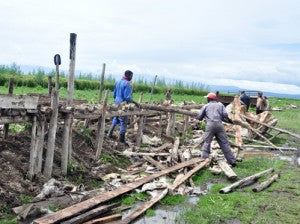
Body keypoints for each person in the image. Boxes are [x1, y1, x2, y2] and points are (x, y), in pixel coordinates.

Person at [197, 92, 237, 166]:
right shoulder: (220, 105)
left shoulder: (206, 106)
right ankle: (232, 160)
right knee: (224, 142)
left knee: (207, 142)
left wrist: (204, 116)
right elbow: (225, 115)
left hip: (210, 124)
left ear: (209, 99)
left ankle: (204, 159)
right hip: (219, 124)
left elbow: (199, 117)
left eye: (207, 98)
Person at [107, 70, 138, 145]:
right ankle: (122, 140)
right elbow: (127, 97)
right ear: (129, 76)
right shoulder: (127, 84)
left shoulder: (118, 82)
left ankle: (109, 134)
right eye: (131, 76)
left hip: (116, 103)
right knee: (123, 121)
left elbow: (114, 95)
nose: (131, 78)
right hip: (123, 105)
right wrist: (135, 102)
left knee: (116, 118)